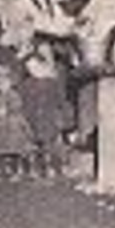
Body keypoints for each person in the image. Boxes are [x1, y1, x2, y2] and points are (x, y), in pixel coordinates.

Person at [20, 41, 72, 177]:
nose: (33, 70)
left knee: (52, 143)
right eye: (29, 68)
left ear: (41, 65)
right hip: (33, 116)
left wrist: (65, 117)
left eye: (35, 66)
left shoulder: (52, 82)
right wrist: (25, 116)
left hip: (50, 116)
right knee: (36, 143)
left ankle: (55, 166)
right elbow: (23, 101)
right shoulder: (26, 84)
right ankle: (38, 167)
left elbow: (61, 100)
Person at [0, 63, 35, 180]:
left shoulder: (14, 95)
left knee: (16, 150)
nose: (2, 84)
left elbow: (12, 109)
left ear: (11, 83)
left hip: (12, 126)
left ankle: (17, 171)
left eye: (5, 82)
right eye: (0, 81)